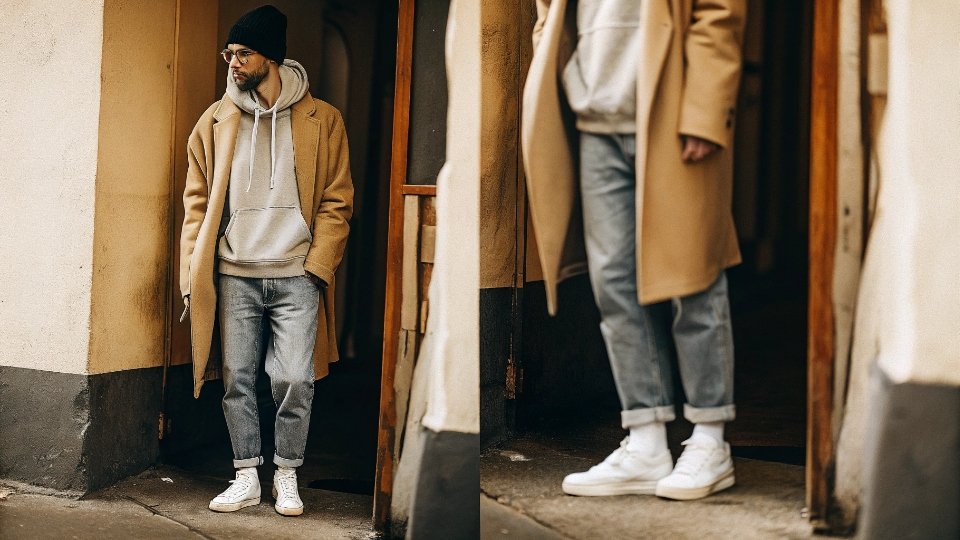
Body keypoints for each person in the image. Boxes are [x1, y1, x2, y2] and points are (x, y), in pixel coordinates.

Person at [521, 0, 745, 500]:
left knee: (695, 275)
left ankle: (711, 440)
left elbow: (718, 12)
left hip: (670, 113)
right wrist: (557, 66)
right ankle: (646, 442)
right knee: (614, 285)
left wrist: (706, 114)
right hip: (594, 119)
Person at [179, 5, 353, 516]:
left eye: (243, 53)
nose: (232, 62)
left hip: (297, 272)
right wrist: (194, 268)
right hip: (234, 272)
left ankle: (287, 473)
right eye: (228, 53)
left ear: (271, 58)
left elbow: (338, 202)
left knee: (294, 377)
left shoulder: (324, 120)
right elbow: (195, 201)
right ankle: (246, 474)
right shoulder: (215, 120)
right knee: (236, 378)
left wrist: (318, 267)